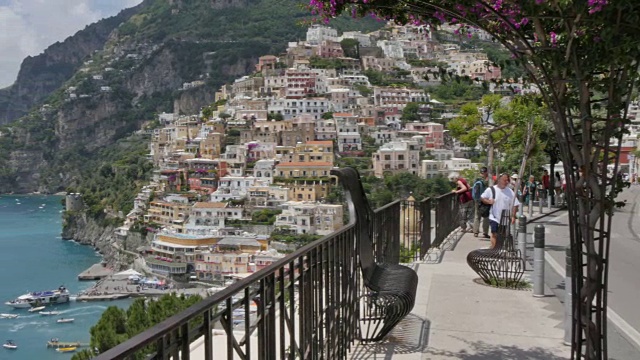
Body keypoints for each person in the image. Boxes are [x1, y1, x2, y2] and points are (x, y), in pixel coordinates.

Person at [480, 173, 521, 249]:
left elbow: (515, 204)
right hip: (494, 216)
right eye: (504, 180)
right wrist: (488, 201)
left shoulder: (510, 192)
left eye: (507, 180)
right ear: (499, 180)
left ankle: (500, 248)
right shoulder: (491, 189)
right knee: (494, 233)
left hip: (505, 217)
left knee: (503, 234)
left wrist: (513, 216)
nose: (506, 182)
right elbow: (482, 198)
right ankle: (494, 249)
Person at [472, 167, 490, 239]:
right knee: (486, 216)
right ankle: (485, 232)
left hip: (477, 200)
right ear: (486, 172)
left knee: (477, 216)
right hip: (484, 200)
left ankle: (475, 232)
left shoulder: (477, 180)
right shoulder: (485, 181)